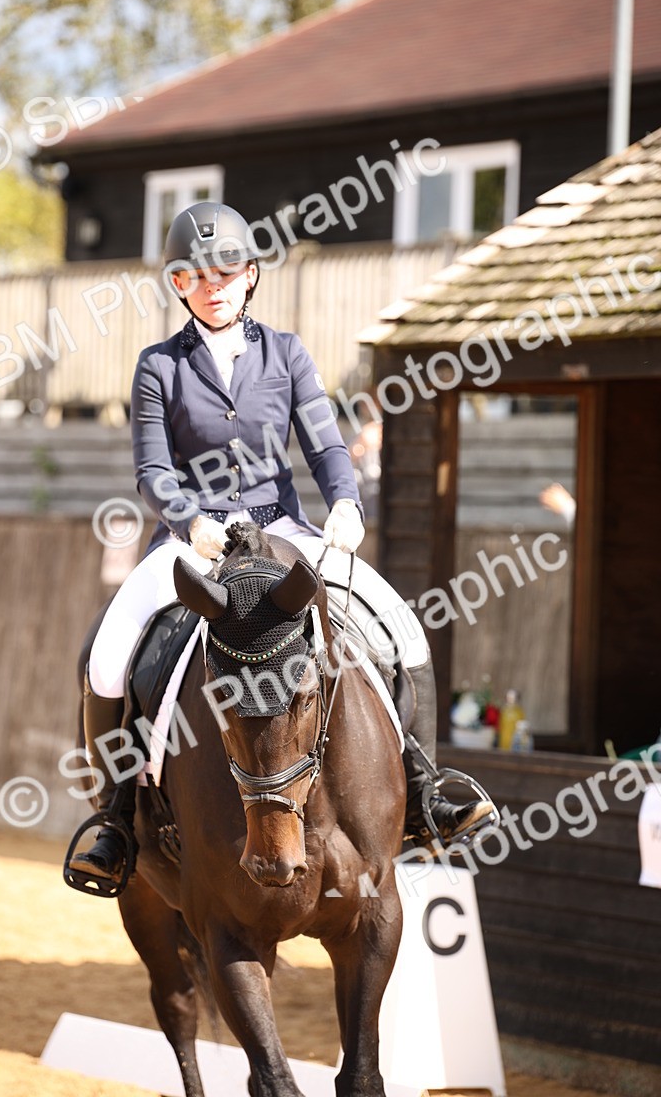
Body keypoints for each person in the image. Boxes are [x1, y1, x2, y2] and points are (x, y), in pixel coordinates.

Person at [65, 202, 495, 893]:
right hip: (194, 539)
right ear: (178, 284)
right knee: (111, 655)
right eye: (195, 274)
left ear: (250, 275)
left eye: (226, 270)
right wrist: (187, 521)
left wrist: (347, 504)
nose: (213, 284)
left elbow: (325, 443)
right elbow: (151, 470)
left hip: (282, 529)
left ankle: (425, 788)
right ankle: (116, 820)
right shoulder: (159, 367)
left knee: (401, 628)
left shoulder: (287, 352)